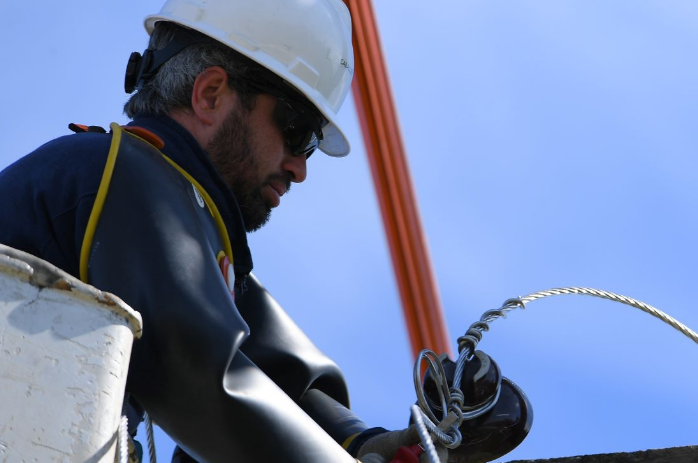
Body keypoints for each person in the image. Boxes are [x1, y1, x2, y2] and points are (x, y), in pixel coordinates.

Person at [0, 0, 447, 461]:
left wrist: (372, 445)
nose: (299, 169)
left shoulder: (177, 222)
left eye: (310, 147)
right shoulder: (127, 176)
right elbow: (205, 378)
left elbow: (279, 382)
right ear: (210, 94)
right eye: (295, 131)